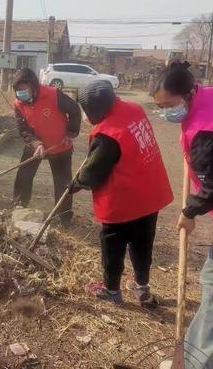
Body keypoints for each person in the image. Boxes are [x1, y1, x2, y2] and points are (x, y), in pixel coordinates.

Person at [73, 80, 173, 305]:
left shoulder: (108, 134)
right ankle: (141, 286)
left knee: (113, 248)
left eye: (87, 111)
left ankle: (111, 291)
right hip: (149, 195)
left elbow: (92, 174)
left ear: (95, 109)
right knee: (142, 244)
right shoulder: (134, 109)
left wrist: (76, 183)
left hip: (123, 201)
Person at [153, 61, 213, 368]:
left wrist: (189, 211)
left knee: (212, 287)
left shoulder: (204, 128)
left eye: (168, 105)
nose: (164, 112)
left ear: (188, 94)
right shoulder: (207, 97)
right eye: (159, 107)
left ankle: (192, 362)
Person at [12, 68, 81, 227]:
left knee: (63, 182)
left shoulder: (53, 94)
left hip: (60, 146)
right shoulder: (18, 103)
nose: (20, 94)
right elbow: (22, 129)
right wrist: (36, 144)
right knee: (24, 174)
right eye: (17, 91)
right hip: (36, 144)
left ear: (33, 86)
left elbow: (75, 110)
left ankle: (64, 216)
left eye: (23, 90)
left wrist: (70, 132)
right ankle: (19, 205)